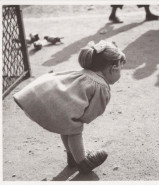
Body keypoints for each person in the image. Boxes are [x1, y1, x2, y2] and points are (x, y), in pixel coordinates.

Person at [13, 40, 126, 174]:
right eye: (120, 69)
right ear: (113, 69)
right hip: (53, 104)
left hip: (43, 99)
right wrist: (78, 120)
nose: (120, 73)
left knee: (67, 125)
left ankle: (72, 156)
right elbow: (90, 113)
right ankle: (82, 162)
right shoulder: (100, 86)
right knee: (75, 129)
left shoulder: (84, 74)